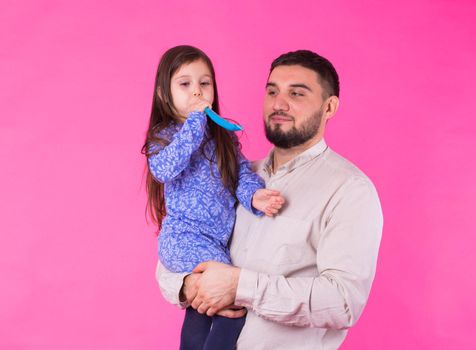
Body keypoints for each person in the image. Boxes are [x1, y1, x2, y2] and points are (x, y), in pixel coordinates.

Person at [156, 49, 383, 349]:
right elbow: (174, 252)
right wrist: (189, 285)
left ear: (329, 107)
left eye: (297, 93)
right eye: (272, 91)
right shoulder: (234, 176)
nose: (279, 103)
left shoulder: (349, 190)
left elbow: (343, 303)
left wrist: (240, 286)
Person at [142, 45, 285, 350]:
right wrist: (195, 122)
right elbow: (164, 169)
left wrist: (254, 195)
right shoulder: (164, 135)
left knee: (205, 309)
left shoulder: (223, 136)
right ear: (163, 94)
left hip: (213, 242)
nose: (196, 92)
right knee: (229, 299)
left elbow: (240, 174)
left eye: (204, 83)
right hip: (185, 239)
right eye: (185, 84)